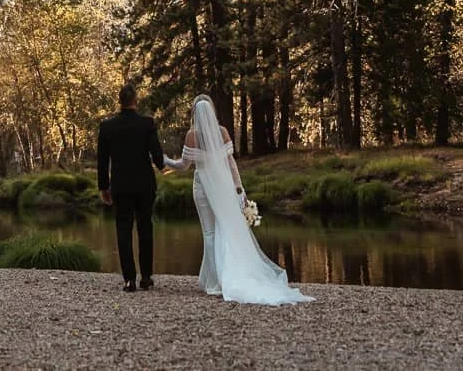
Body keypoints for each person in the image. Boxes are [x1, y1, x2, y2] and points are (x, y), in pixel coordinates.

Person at [163, 94, 312, 305]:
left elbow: (184, 166)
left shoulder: (192, 135)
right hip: (223, 185)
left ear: (196, 113)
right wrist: (239, 188)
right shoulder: (222, 132)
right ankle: (219, 278)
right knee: (227, 228)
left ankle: (215, 282)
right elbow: (231, 163)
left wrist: (166, 161)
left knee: (209, 232)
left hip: (203, 186)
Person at [95, 82, 164, 292]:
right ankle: (146, 277)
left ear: (120, 101)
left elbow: (102, 161)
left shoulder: (107, 126)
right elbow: (158, 157)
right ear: (136, 100)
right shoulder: (147, 124)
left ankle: (129, 280)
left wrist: (103, 187)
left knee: (123, 230)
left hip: (120, 185)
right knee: (145, 228)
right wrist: (161, 164)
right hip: (144, 185)